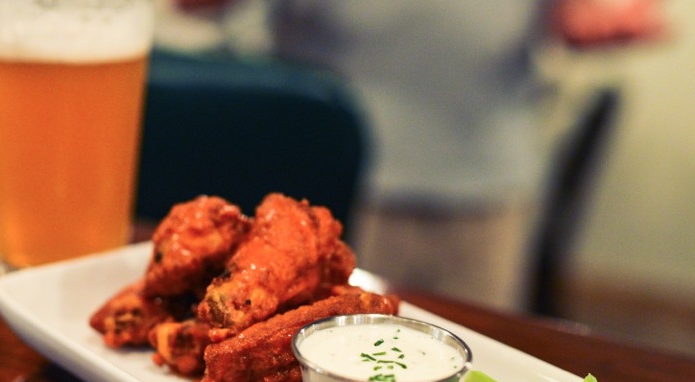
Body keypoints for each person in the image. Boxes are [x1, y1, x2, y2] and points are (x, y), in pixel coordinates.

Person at [176, 0, 666, 312]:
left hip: (485, 194)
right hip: (327, 196)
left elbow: (605, 11)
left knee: (469, 372)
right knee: (305, 363)